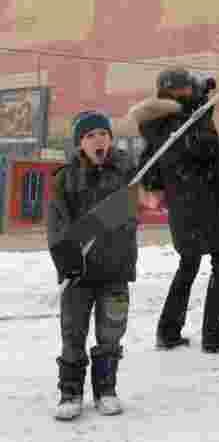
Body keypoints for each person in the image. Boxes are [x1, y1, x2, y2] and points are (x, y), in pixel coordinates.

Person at [130, 68, 219, 354]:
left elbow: (153, 174)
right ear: (176, 91)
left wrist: (203, 99)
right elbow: (205, 149)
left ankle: (168, 331)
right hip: (206, 203)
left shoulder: (159, 127)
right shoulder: (185, 124)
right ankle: (212, 335)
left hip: (182, 210)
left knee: (188, 266)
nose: (193, 91)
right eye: (188, 87)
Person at [48, 111, 136, 420]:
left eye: (103, 133)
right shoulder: (66, 178)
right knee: (73, 333)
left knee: (111, 332)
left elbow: (141, 200)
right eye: (89, 136)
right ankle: (70, 392)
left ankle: (106, 390)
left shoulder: (129, 171)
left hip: (115, 269)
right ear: (79, 144)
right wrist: (66, 260)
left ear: (110, 139)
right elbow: (57, 226)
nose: (98, 140)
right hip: (79, 273)